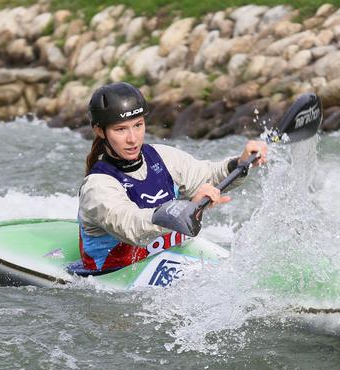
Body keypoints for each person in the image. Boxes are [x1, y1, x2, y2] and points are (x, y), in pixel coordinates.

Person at [76, 82, 268, 274]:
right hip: (113, 274)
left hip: (167, 258)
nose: (133, 138)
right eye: (121, 129)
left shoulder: (163, 157)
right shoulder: (97, 186)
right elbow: (132, 227)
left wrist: (241, 162)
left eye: (138, 125)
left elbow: (207, 176)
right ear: (100, 131)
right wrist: (185, 210)